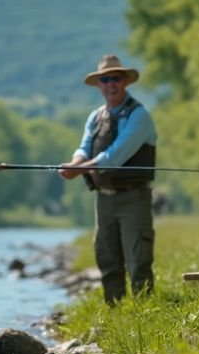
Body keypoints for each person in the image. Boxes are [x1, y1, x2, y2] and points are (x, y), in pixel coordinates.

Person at [59, 54, 157, 303]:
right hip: (103, 200)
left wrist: (78, 170)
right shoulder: (95, 117)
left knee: (138, 261)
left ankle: (144, 312)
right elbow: (84, 148)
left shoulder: (140, 116)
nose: (110, 83)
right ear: (99, 84)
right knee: (107, 259)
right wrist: (73, 164)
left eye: (115, 78)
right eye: (105, 79)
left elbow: (116, 155)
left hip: (134, 197)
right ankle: (115, 312)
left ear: (125, 82)